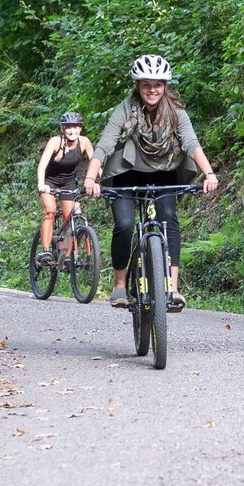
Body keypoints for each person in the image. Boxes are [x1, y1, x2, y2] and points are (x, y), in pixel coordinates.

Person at [82, 55, 218, 309]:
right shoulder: (124, 109)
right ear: (138, 86)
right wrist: (91, 177)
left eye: (157, 85)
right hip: (126, 174)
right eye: (146, 85)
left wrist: (209, 173)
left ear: (165, 86)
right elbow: (105, 145)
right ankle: (120, 286)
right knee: (124, 225)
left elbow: (191, 143)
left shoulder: (176, 111)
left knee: (169, 217)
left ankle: (173, 288)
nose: (152, 90)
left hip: (163, 172)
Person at [35, 111, 94, 268]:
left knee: (73, 218)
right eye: (68, 127)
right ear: (63, 129)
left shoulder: (85, 142)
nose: (72, 131)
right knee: (50, 211)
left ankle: (65, 256)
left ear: (80, 129)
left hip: (68, 183)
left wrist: (101, 182)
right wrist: (42, 184)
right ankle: (45, 250)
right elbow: (42, 165)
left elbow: (95, 164)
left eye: (75, 127)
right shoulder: (55, 142)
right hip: (50, 182)